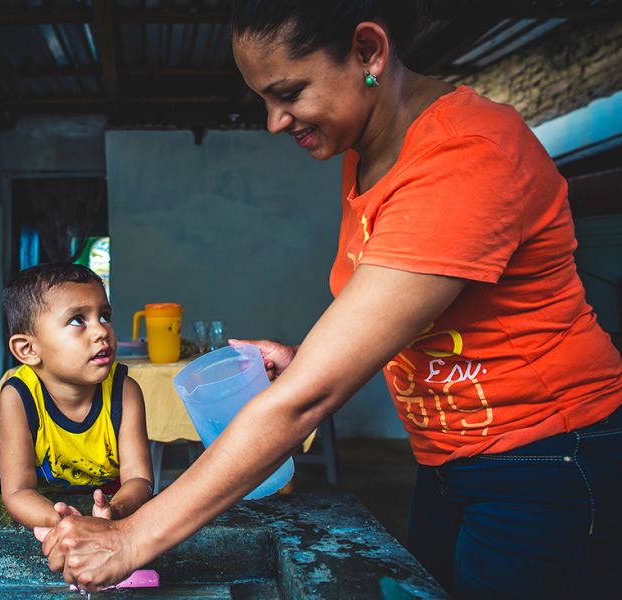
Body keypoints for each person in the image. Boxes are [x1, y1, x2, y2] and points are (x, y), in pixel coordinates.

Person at [32, 1, 622, 597]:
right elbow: (399, 314)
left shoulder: (465, 154)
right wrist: (304, 355)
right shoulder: (366, 156)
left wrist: (133, 538)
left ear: (368, 51)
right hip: (450, 458)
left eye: (288, 92)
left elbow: (307, 400)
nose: (274, 121)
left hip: (549, 454)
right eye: (263, 99)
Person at [0, 263, 154, 529]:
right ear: (28, 349)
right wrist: (59, 520)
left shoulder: (124, 390)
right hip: (43, 515)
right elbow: (17, 492)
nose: (102, 331)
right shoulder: (19, 398)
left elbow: (139, 479)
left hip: (110, 510)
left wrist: (113, 511)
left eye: (104, 315)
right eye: (78, 320)